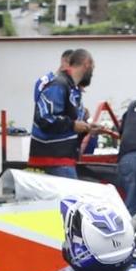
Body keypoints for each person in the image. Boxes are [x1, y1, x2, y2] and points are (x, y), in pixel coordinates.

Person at [29, 48, 95, 177]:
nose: (92, 73)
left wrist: (87, 128)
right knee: (69, 197)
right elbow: (44, 117)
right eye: (93, 68)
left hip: (64, 158)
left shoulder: (72, 89)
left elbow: (70, 124)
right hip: (53, 160)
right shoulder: (59, 85)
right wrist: (73, 125)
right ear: (87, 64)